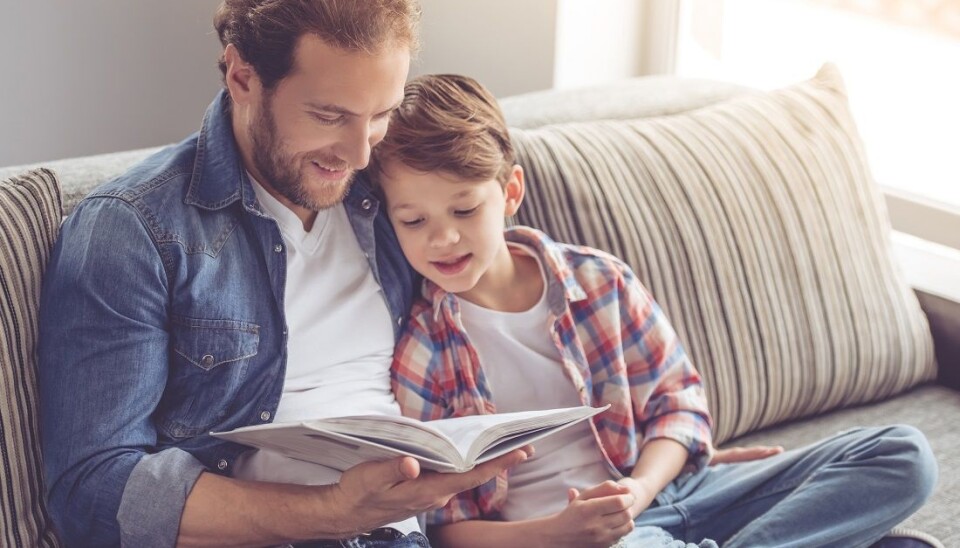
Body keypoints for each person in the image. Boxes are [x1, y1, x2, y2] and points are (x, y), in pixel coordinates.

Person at [369, 74, 939, 548]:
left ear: (510, 192)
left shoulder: (599, 281)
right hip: (569, 538)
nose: (443, 238)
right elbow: (440, 526)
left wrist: (641, 489)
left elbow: (680, 408)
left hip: (670, 493)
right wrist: (557, 533)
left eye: (464, 209)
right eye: (414, 221)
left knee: (901, 455)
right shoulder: (423, 352)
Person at [36, 3, 532, 547]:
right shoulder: (132, 230)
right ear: (242, 76)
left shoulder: (390, 193)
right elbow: (94, 490)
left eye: (381, 114)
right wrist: (334, 510)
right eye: (329, 115)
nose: (360, 153)